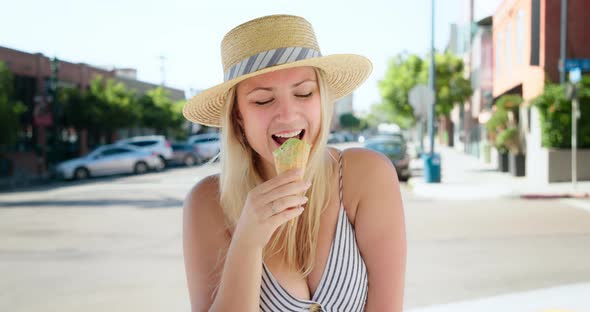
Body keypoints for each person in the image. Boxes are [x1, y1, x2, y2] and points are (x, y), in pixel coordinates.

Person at [182, 14, 406, 312]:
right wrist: (247, 241)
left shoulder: (365, 176)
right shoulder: (207, 204)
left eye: (304, 93)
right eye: (262, 100)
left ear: (322, 99)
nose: (287, 115)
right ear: (238, 116)